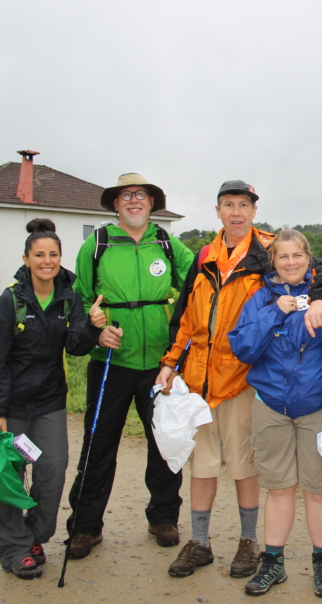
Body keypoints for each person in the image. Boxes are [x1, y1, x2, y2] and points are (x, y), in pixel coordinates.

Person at [156, 180, 322, 581]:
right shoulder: (205, 255)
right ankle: (200, 542)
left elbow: (319, 269)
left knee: (244, 464)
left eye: (243, 205)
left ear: (255, 210)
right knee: (202, 463)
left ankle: (247, 541)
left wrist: (321, 296)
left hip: (242, 379)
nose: (236, 212)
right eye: (228, 205)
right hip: (200, 378)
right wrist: (171, 361)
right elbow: (187, 315)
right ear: (217, 210)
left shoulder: (271, 249)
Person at [65, 173, 195, 559]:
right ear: (116, 204)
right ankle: (85, 527)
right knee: (98, 445)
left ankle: (163, 517)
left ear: (152, 203)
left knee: (164, 441)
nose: (134, 201)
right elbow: (80, 301)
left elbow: (198, 283)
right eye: (126, 196)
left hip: (160, 363)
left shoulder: (168, 244)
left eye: (141, 195)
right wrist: (95, 329)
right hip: (111, 361)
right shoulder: (97, 244)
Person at [0, 218, 100, 579]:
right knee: (10, 476)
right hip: (9, 406)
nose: (47, 260)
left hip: (49, 402)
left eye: (54, 254)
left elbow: (76, 348)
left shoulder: (69, 296)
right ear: (27, 258)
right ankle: (13, 548)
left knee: (51, 470)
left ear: (61, 258)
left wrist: (93, 326)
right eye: (39, 255)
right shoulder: (10, 301)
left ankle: (35, 535)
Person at [228, 228, 322, 597]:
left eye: (298, 256)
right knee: (279, 489)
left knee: (319, 491)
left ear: (309, 258)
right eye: (283, 257)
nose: (291, 262)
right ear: (273, 261)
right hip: (271, 407)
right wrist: (274, 313)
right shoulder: (260, 298)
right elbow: (243, 348)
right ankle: (273, 563)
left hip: (317, 407)